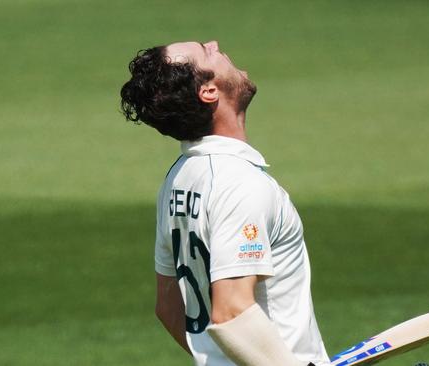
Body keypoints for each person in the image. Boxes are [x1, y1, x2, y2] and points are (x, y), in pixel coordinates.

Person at [120, 40, 330, 366]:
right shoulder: (239, 185)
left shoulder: (179, 177)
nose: (214, 44)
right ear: (208, 92)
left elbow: (168, 306)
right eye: (206, 52)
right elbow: (231, 313)